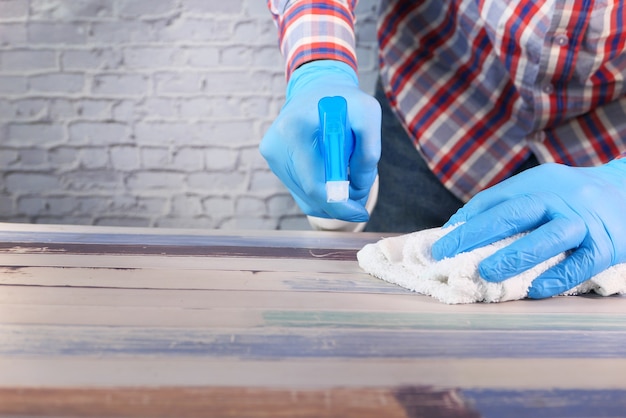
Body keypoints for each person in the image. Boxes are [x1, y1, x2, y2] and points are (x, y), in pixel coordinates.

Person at [261, 0, 626, 299]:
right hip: (436, 112)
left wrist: (620, 183)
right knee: (383, 323)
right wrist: (320, 64)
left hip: (605, 153)